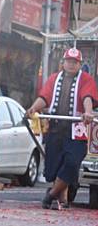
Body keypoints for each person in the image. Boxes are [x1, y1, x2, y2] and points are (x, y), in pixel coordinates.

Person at [27, 47, 97, 210]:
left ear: (79, 64)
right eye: (69, 61)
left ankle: (51, 195)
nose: (71, 65)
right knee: (54, 168)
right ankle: (62, 200)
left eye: (75, 62)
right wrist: (33, 108)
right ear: (63, 63)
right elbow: (44, 97)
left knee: (72, 163)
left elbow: (87, 97)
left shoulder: (86, 79)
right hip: (56, 129)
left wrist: (88, 112)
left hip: (76, 129)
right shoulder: (53, 79)